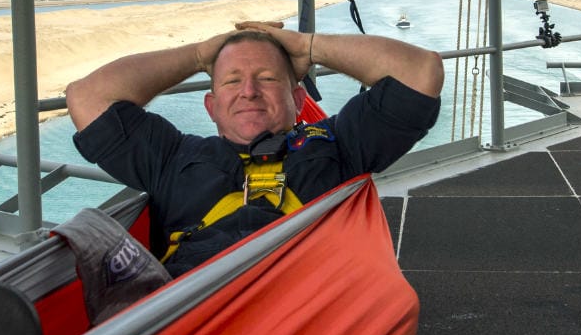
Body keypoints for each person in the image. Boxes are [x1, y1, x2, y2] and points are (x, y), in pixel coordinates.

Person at [65, 21, 444, 277]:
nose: (249, 91)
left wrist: (309, 46)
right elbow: (87, 96)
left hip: (307, 315)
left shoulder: (339, 144)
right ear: (211, 107)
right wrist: (198, 55)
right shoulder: (172, 157)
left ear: (298, 100)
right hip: (191, 324)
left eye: (266, 78)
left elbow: (420, 72)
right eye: (232, 81)